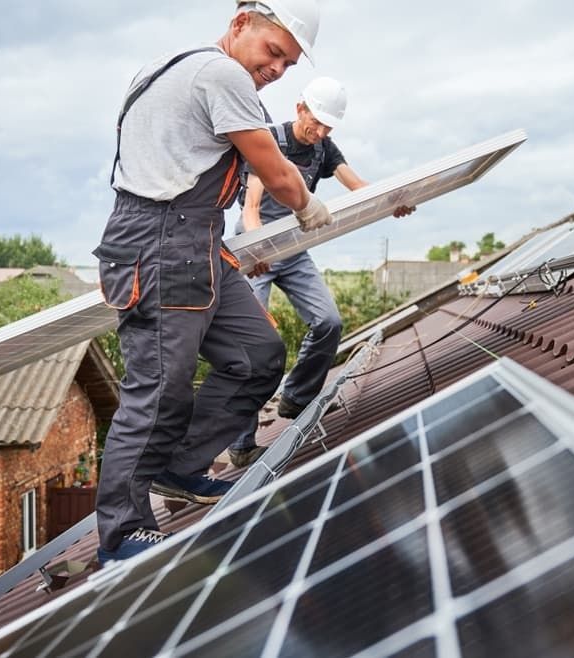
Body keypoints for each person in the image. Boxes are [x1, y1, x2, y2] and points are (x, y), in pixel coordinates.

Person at [92, 0, 333, 565]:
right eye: (274, 52)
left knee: (258, 354)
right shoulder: (220, 73)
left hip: (197, 240)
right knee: (159, 389)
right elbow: (274, 170)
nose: (276, 69)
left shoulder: (172, 71)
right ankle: (122, 531)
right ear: (240, 22)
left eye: (288, 64)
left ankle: (181, 466)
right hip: (157, 240)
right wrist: (306, 204)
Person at [227, 77, 415, 468]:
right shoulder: (270, 141)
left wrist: (391, 201)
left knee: (329, 321)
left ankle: (296, 397)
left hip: (295, 251)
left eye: (329, 126)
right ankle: (242, 443)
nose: (321, 132)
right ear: (300, 108)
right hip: (258, 250)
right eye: (317, 122)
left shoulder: (324, 149)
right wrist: (258, 249)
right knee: (254, 346)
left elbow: (357, 186)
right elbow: (251, 208)